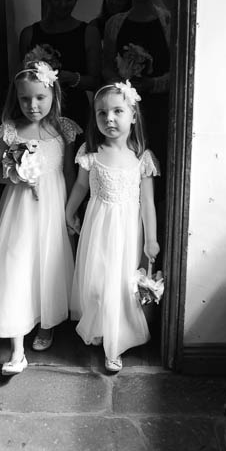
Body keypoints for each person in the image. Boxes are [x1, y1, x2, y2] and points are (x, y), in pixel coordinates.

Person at [0, 61, 81, 375]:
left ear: (53, 93)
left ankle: (46, 323)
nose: (32, 105)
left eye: (40, 97)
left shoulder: (64, 128)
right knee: (16, 265)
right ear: (17, 98)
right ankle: (16, 348)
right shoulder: (10, 129)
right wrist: (16, 176)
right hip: (20, 208)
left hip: (52, 206)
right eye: (25, 99)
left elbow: (69, 173)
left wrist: (69, 212)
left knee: (47, 263)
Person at [65, 82, 160, 373]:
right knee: (98, 279)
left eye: (118, 111)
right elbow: (81, 187)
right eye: (101, 113)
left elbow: (147, 203)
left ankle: (115, 345)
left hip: (129, 231)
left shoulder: (141, 157)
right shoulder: (90, 154)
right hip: (98, 228)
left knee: (121, 282)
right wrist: (69, 211)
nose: (109, 118)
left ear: (133, 115)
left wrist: (151, 240)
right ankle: (101, 326)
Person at [102, 0, 170, 189]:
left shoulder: (168, 22)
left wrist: (152, 84)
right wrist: (123, 89)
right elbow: (106, 65)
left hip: (159, 110)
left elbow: (179, 73)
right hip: (124, 110)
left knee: (156, 172)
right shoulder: (115, 23)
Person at [19, 0, 101, 131]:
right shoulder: (29, 34)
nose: (62, 4)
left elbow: (96, 81)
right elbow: (21, 80)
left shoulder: (88, 33)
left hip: (75, 111)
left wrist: (72, 78)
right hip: (38, 113)